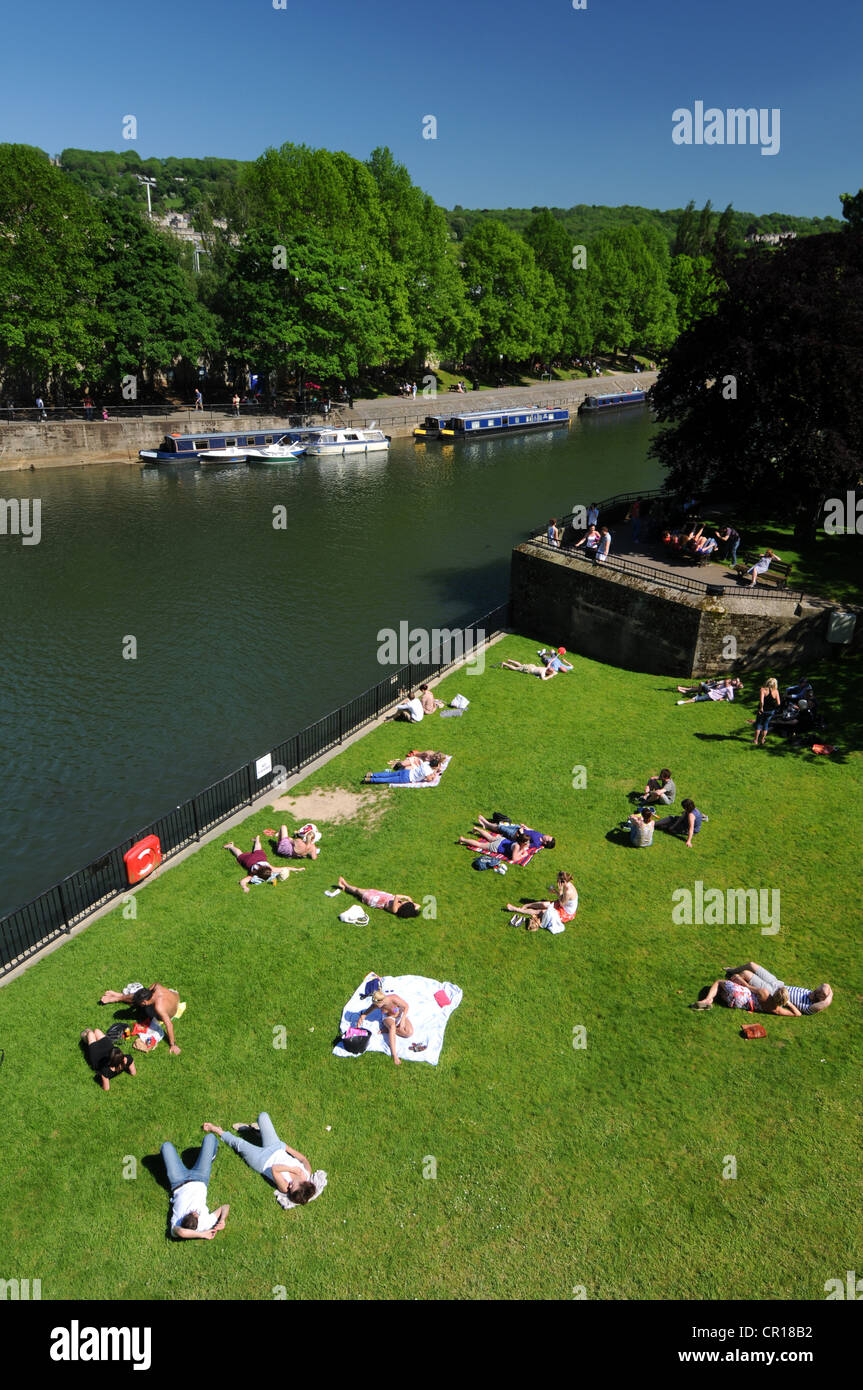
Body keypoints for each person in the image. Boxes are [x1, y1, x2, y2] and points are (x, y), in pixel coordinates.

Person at [202, 1116, 317, 1202]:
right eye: (294, 1186)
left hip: (262, 1161)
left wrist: (292, 1169)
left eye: (291, 1189)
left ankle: (217, 1130)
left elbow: (275, 1169)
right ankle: (257, 1132)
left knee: (239, 1144)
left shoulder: (285, 1188)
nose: (290, 1186)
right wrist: (285, 1147)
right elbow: (303, 1159)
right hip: (276, 1147)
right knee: (263, 1116)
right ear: (303, 1183)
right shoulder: (306, 1173)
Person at [161, 1132, 230, 1239]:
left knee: (166, 1146)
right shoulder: (205, 1223)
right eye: (196, 1214)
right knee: (210, 1138)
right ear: (198, 1218)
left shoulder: (177, 1224)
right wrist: (222, 1220)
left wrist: (202, 1235)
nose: (194, 1212)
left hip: (178, 1182)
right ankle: (212, 1156)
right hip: (200, 1177)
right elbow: (225, 1207)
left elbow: (181, 1232)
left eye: (191, 1213)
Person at [98, 982, 184, 1054]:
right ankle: (118, 997)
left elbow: (169, 1025)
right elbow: (152, 986)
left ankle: (118, 997)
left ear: (145, 1002)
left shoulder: (159, 1008)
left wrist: (173, 1045)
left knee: (141, 1007)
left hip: (171, 1010)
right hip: (173, 994)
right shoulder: (157, 987)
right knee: (137, 997)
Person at [722, 963, 833, 1014]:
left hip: (773, 992)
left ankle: (729, 988)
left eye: (818, 991)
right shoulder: (813, 994)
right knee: (751, 965)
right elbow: (826, 987)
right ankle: (732, 971)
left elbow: (826, 1003)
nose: (815, 990)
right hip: (777, 983)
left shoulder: (809, 1007)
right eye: (817, 989)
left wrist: (827, 996)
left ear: (820, 999)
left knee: (746, 973)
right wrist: (827, 991)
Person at [223, 834, 305, 890]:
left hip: (260, 858)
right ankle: (231, 846)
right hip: (251, 860)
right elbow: (242, 881)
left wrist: (298, 869)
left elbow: (286, 868)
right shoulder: (253, 874)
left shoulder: (270, 868)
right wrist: (245, 887)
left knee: (257, 849)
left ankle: (256, 839)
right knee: (240, 855)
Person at [505, 871, 578, 932]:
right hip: (563, 905)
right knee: (543, 904)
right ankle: (527, 905)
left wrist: (559, 891)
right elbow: (562, 899)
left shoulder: (568, 891)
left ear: (563, 881)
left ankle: (516, 909)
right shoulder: (566, 885)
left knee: (541, 911)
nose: (557, 881)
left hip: (566, 912)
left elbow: (562, 904)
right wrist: (556, 891)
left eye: (558, 880)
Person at [357, 988, 413, 1066]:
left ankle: (388, 1030)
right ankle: (394, 1054)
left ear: (382, 1001)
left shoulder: (394, 998)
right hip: (388, 1018)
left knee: (409, 1033)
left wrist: (403, 1020)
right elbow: (369, 1009)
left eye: (377, 1005)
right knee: (392, 1026)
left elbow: (406, 1006)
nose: (376, 1007)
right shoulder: (377, 1004)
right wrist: (362, 1016)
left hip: (399, 1015)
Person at [691, 979, 800, 1016]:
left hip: (741, 994)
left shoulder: (764, 993)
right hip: (737, 1004)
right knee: (721, 992)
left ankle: (707, 1000)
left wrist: (738, 979)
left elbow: (747, 986)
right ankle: (713, 999)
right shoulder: (776, 1010)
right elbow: (797, 1014)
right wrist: (788, 1003)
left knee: (719, 983)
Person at [336, 876, 422, 918]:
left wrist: (407, 897)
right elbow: (418, 906)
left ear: (404, 907)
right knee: (358, 891)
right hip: (379, 896)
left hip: (372, 899)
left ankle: (344, 884)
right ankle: (345, 887)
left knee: (358, 890)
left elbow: (397, 896)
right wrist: (411, 905)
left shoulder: (395, 909)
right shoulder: (401, 907)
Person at [457, 827, 534, 865]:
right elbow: (514, 858)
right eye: (527, 842)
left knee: (490, 837)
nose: (528, 844)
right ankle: (463, 839)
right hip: (497, 846)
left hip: (503, 840)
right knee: (480, 845)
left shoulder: (518, 842)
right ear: (522, 842)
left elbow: (521, 850)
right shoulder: (517, 846)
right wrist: (523, 855)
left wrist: (523, 850)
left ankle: (477, 829)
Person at [474, 814, 555, 849]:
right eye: (549, 836)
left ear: (545, 843)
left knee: (501, 827)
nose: (547, 835)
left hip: (515, 835)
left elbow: (525, 844)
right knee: (504, 825)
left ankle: (486, 823)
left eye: (548, 838)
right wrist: (526, 827)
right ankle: (487, 825)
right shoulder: (541, 835)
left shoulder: (537, 844)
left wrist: (522, 833)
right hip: (519, 828)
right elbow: (532, 831)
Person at [363, 753, 443, 784]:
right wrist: (434, 774)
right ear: (434, 766)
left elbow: (430, 769)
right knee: (387, 779)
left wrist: (434, 770)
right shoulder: (428, 771)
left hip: (407, 772)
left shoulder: (426, 763)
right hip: (407, 778)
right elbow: (429, 779)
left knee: (389, 774)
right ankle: (369, 780)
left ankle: (372, 774)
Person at [753, 676, 781, 745]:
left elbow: (761, 701)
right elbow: (778, 703)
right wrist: (774, 707)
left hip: (762, 710)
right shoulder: (776, 691)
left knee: (758, 724)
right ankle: (762, 740)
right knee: (766, 724)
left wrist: (761, 708)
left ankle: (755, 740)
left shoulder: (763, 690)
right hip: (770, 711)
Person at [676, 677, 741, 705]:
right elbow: (717, 683)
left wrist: (724, 698)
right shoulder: (724, 683)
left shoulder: (730, 689)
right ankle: (698, 694)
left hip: (712, 696)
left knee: (696, 699)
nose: (733, 680)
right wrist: (715, 684)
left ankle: (683, 702)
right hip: (711, 690)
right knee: (701, 683)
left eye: (735, 681)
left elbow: (731, 698)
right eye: (734, 680)